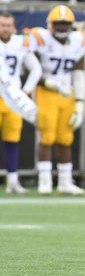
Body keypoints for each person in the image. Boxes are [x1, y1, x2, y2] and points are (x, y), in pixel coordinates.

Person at [30, 6, 85, 195]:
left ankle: (65, 182)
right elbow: (31, 70)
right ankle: (44, 180)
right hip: (46, 91)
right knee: (47, 138)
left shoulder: (78, 40)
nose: (62, 28)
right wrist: (52, 84)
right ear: (50, 25)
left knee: (65, 138)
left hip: (68, 94)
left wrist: (80, 103)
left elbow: (79, 72)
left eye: (65, 24)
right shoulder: (39, 39)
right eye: (59, 24)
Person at [0, 13, 41, 194]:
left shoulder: (21, 43)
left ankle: (13, 181)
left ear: (14, 27)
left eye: (8, 25)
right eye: (2, 25)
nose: (5, 28)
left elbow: (36, 69)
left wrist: (25, 91)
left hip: (13, 99)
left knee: (12, 140)